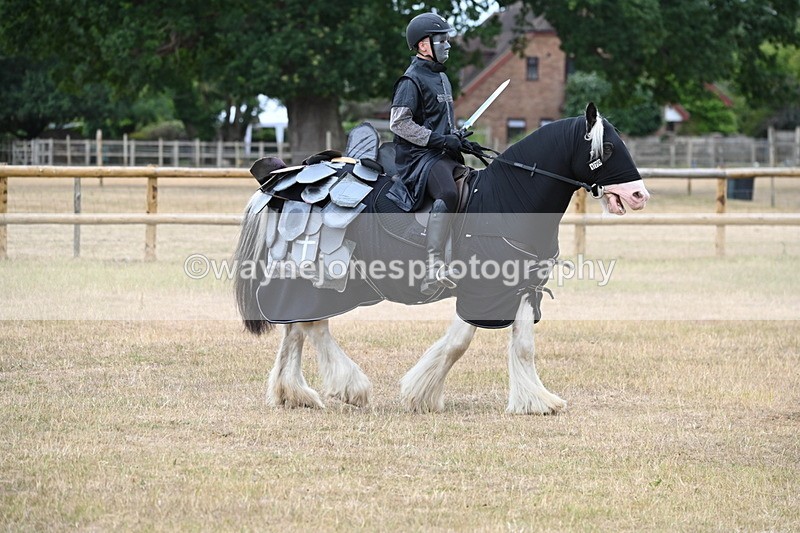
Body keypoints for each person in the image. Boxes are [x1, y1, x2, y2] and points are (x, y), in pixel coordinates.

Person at [387, 12, 467, 295]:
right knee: (448, 192)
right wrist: (437, 139)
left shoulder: (442, 79)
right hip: (418, 159)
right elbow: (399, 123)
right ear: (424, 45)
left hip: (441, 154)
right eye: (441, 39)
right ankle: (433, 267)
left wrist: (456, 138)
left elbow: (441, 120)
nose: (447, 44)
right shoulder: (410, 81)